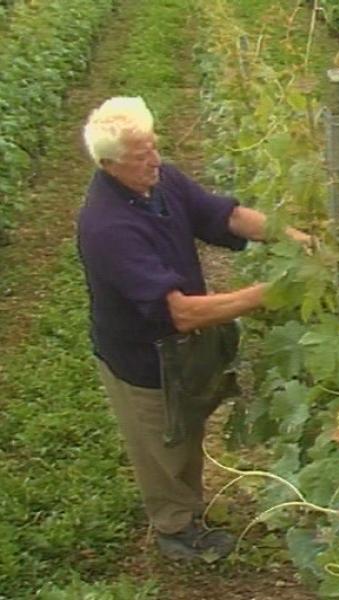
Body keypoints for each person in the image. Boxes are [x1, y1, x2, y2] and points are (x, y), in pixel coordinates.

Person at [76, 96, 309, 561]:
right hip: (142, 354)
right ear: (109, 165)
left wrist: (296, 237)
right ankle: (175, 528)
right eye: (142, 157)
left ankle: (189, 508)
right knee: (162, 437)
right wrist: (268, 293)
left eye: (154, 147)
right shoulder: (107, 227)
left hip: (177, 346)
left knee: (185, 427)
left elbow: (225, 216)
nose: (155, 161)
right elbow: (179, 312)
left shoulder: (163, 182)